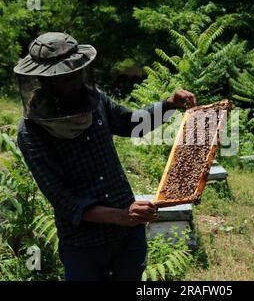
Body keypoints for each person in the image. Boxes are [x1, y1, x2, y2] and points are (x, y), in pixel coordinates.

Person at [14, 32, 197, 281]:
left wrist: (168, 104)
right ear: (46, 81)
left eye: (79, 72)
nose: (77, 80)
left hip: (128, 237)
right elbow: (64, 200)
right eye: (67, 77)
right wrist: (121, 216)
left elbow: (131, 123)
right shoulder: (32, 132)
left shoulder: (94, 99)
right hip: (84, 245)